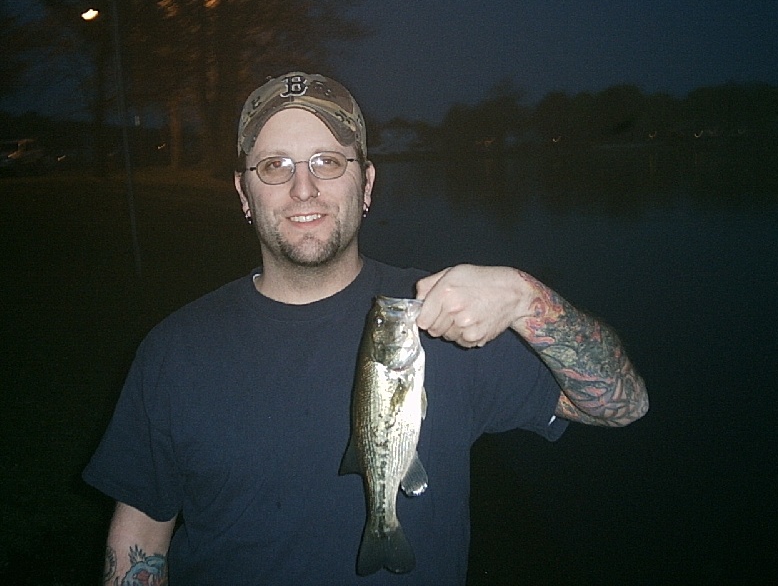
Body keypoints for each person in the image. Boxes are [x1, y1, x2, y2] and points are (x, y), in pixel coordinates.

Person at [83, 72, 648, 585]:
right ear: (243, 193)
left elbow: (621, 406)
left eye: (328, 161)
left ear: (368, 183)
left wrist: (528, 298)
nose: (303, 189)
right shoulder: (174, 351)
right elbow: (141, 534)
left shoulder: (445, 313)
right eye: (275, 165)